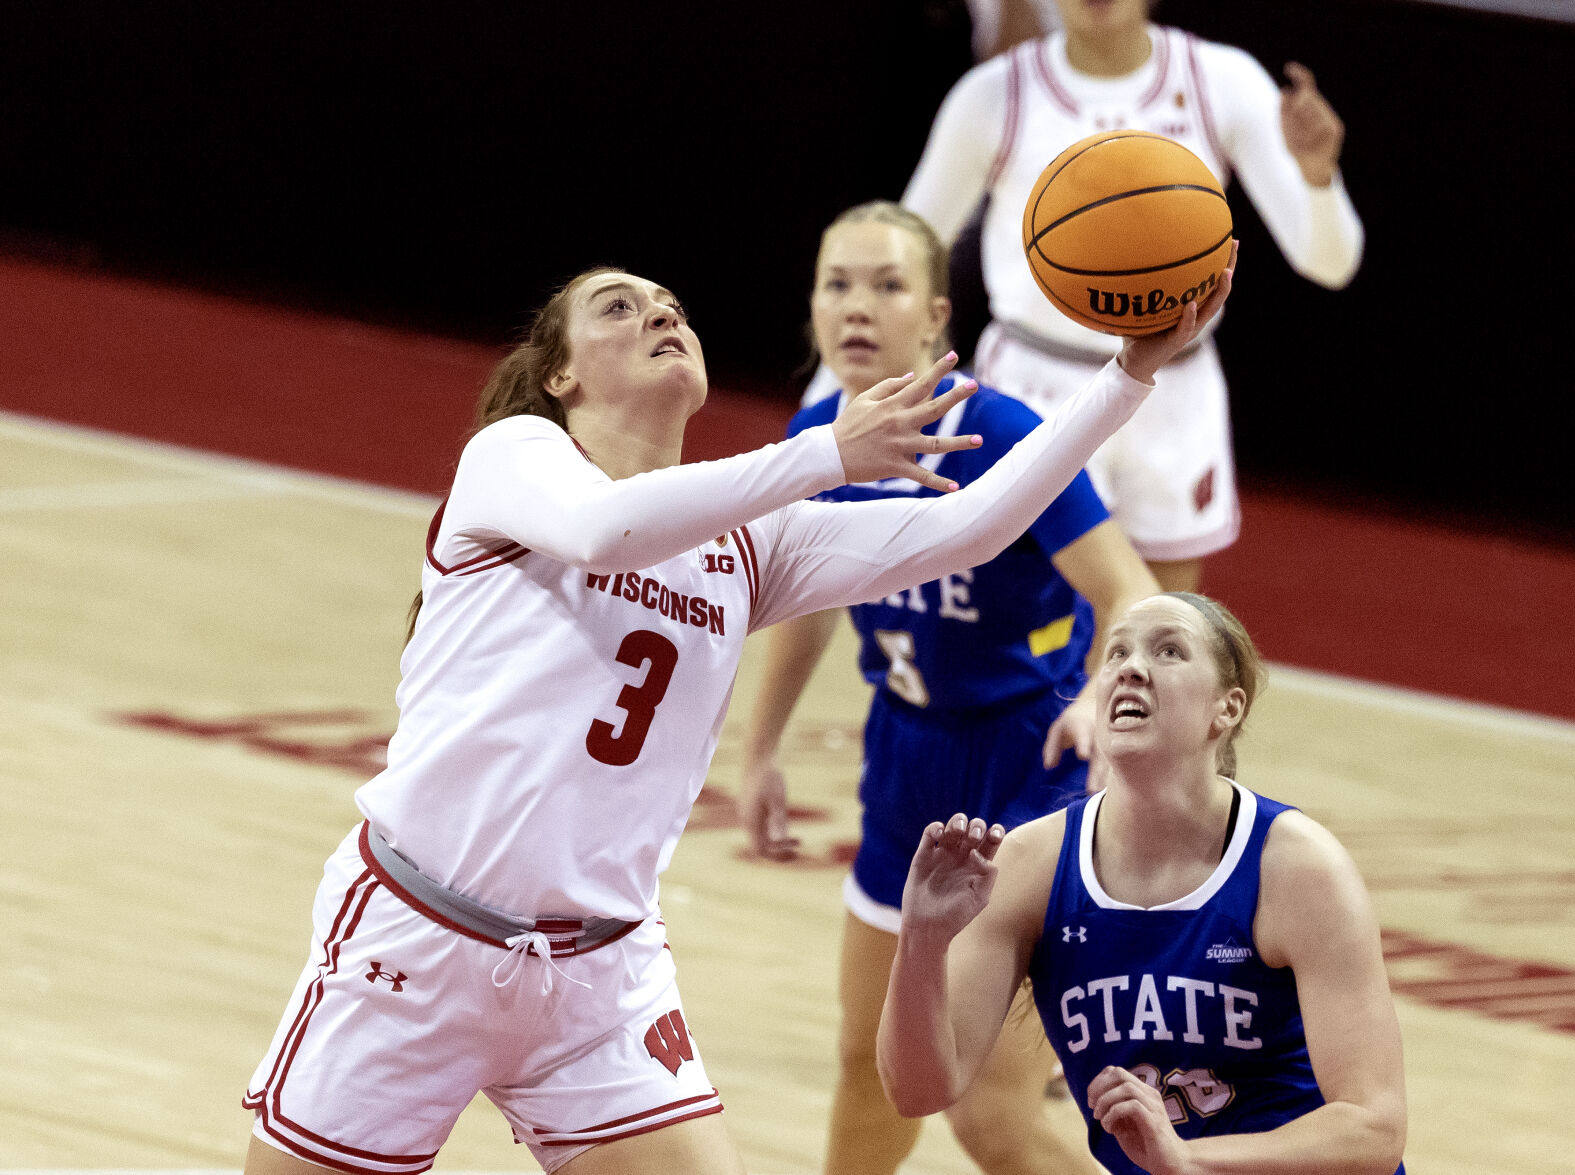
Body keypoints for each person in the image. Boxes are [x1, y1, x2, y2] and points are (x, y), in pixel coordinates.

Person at [239, 259, 1233, 1175]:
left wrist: (1125, 377)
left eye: (668, 303)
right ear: (559, 377)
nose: (658, 313)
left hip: (598, 976)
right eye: (617, 308)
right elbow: (605, 529)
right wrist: (820, 454)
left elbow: (963, 526)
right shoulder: (515, 454)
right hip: (419, 942)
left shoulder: (746, 541)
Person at [738, 201, 1162, 1175]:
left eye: (885, 285)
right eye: (836, 283)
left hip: (1028, 770)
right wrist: (760, 750)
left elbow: (1128, 589)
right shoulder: (817, 443)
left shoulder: (1001, 430)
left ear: (934, 316)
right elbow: (805, 601)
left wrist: (1101, 692)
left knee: (987, 1111)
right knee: (868, 1063)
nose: (857, 306)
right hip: (905, 763)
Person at [876, 592, 1408, 1175]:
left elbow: (1373, 1128)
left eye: (1169, 651)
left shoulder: (1298, 868)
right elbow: (920, 1091)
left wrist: (1188, 1160)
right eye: (1117, 652)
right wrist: (921, 942)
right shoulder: (1033, 863)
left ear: (1226, 710)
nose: (1131, 667)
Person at [859, 0, 1365, 595]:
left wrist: (1317, 177)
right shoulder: (995, 94)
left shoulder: (1221, 80)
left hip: (1176, 386)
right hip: (1034, 386)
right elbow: (907, 254)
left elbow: (1329, 264)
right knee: (1030, 625)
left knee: (1165, 628)